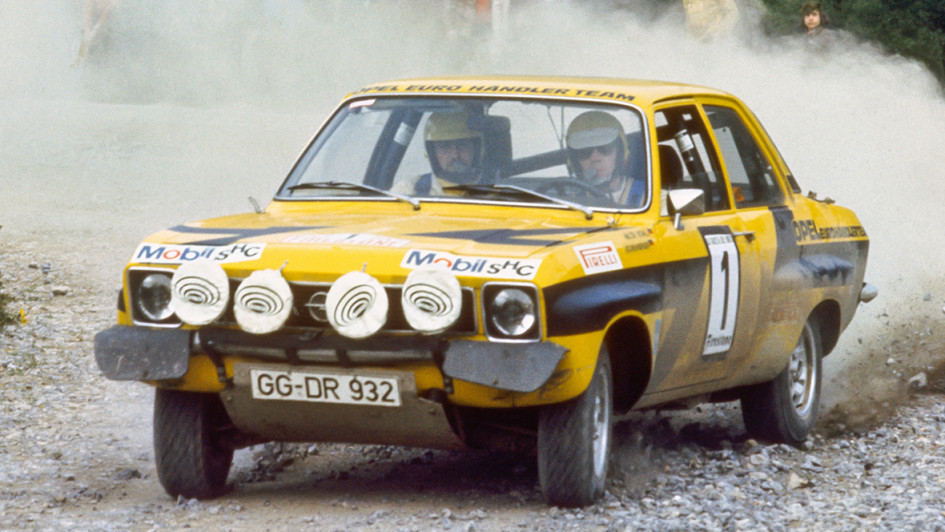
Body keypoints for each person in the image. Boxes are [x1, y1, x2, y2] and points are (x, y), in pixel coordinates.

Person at [392, 110, 483, 195]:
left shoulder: (490, 192)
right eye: (445, 146)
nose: (455, 155)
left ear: (476, 149)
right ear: (432, 153)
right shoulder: (408, 191)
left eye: (462, 144)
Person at [565, 111, 644, 208]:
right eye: (585, 152)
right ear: (576, 161)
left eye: (604, 149)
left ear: (619, 153)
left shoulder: (649, 196)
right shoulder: (567, 200)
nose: (595, 158)